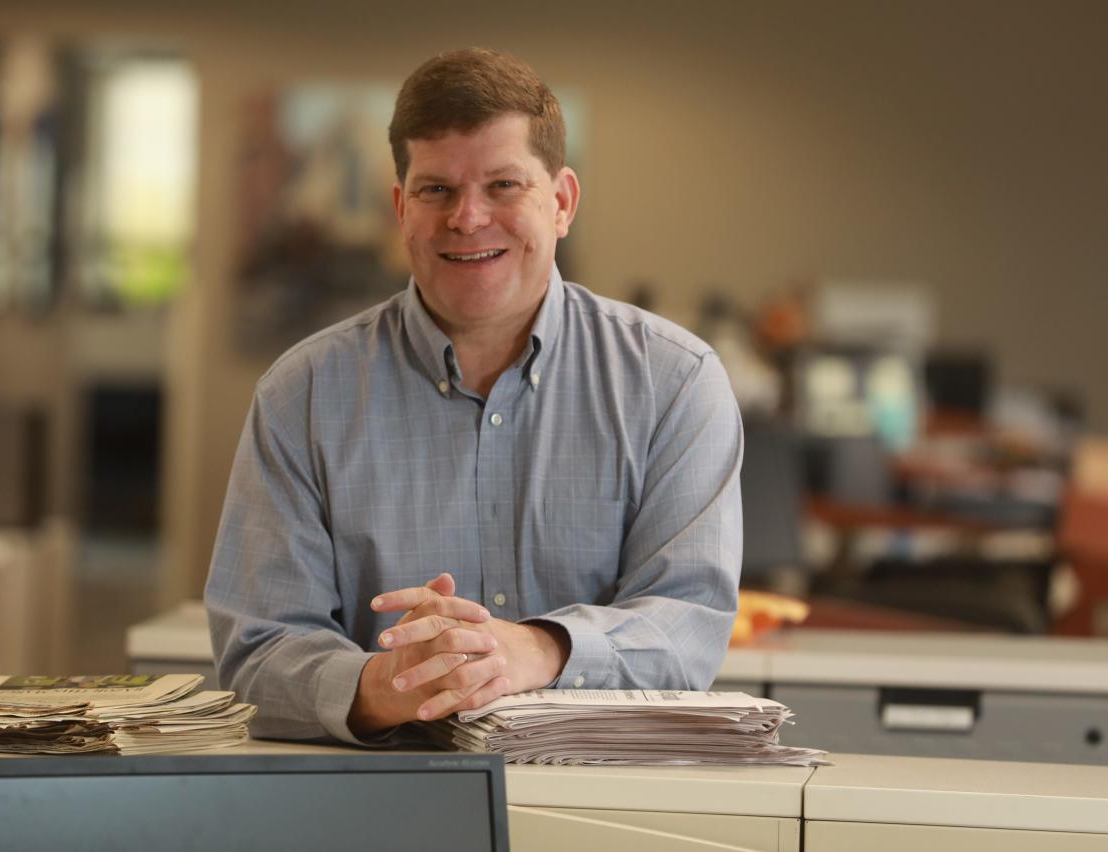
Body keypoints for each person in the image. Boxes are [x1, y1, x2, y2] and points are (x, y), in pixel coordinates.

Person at [205, 47, 743, 744]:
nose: (467, 217)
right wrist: (395, 683)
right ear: (401, 209)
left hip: (610, 805)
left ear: (562, 202)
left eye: (503, 185)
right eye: (436, 190)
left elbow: (689, 623)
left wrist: (538, 650)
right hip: (379, 804)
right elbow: (257, 654)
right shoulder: (300, 396)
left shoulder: (676, 383)